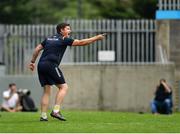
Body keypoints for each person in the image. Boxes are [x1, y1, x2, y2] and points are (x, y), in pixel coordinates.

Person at [29, 23, 106, 121]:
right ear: (61, 30)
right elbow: (82, 42)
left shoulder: (48, 39)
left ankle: (43, 116)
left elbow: (37, 49)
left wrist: (32, 62)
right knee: (64, 87)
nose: (70, 31)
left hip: (41, 65)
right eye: (68, 29)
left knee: (47, 90)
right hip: (51, 65)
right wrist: (97, 37)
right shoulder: (63, 39)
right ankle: (56, 111)